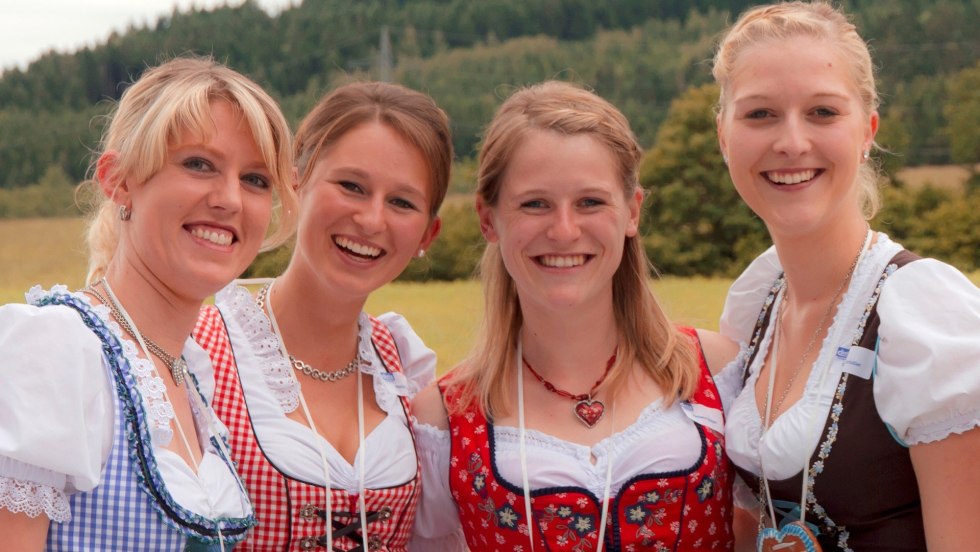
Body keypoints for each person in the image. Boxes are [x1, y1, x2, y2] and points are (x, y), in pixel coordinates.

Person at [411, 81, 742, 551]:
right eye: (535, 204)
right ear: (488, 219)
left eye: (590, 202)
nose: (564, 230)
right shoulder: (442, 418)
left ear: (632, 211)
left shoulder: (717, 370)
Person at [713, 2, 980, 550]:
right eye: (760, 114)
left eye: (823, 112)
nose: (791, 142)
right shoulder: (757, 301)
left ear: (867, 131)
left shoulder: (921, 312)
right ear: (723, 136)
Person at [0, 56, 296, 550]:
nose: (230, 200)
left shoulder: (191, 373)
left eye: (256, 179)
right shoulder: (56, 351)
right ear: (119, 181)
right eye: (199, 164)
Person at [192, 81, 451, 551]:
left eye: (402, 202)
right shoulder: (200, 351)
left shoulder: (407, 372)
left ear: (427, 234)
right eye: (352, 186)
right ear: (297, 179)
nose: (372, 220)